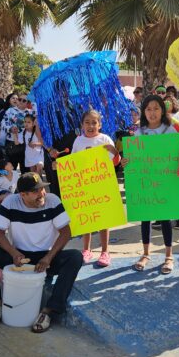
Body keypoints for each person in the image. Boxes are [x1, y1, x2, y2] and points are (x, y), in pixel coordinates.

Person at [0, 172, 83, 333]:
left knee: (75, 257)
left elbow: (66, 232)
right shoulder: (11, 202)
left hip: (46, 258)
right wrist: (13, 253)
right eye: (36, 191)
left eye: (42, 189)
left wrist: (48, 257)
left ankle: (49, 311)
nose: (42, 194)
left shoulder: (53, 201)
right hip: (18, 257)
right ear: (22, 194)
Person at [121, 95, 178, 274]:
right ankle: (146, 254)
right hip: (145, 183)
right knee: (145, 218)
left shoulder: (171, 131)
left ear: (163, 110)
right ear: (143, 112)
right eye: (148, 109)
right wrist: (126, 162)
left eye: (156, 108)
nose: (152, 112)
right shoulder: (139, 132)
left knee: (165, 218)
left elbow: (177, 154)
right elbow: (132, 158)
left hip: (165, 181)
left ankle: (169, 256)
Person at [72, 110, 121, 267]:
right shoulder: (78, 141)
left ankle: (105, 252)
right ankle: (86, 249)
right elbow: (72, 163)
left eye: (94, 122)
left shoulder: (105, 139)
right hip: (84, 186)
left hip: (101, 185)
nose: (91, 125)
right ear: (82, 125)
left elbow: (115, 162)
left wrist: (115, 152)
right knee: (87, 219)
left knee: (103, 219)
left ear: (100, 124)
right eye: (87, 122)